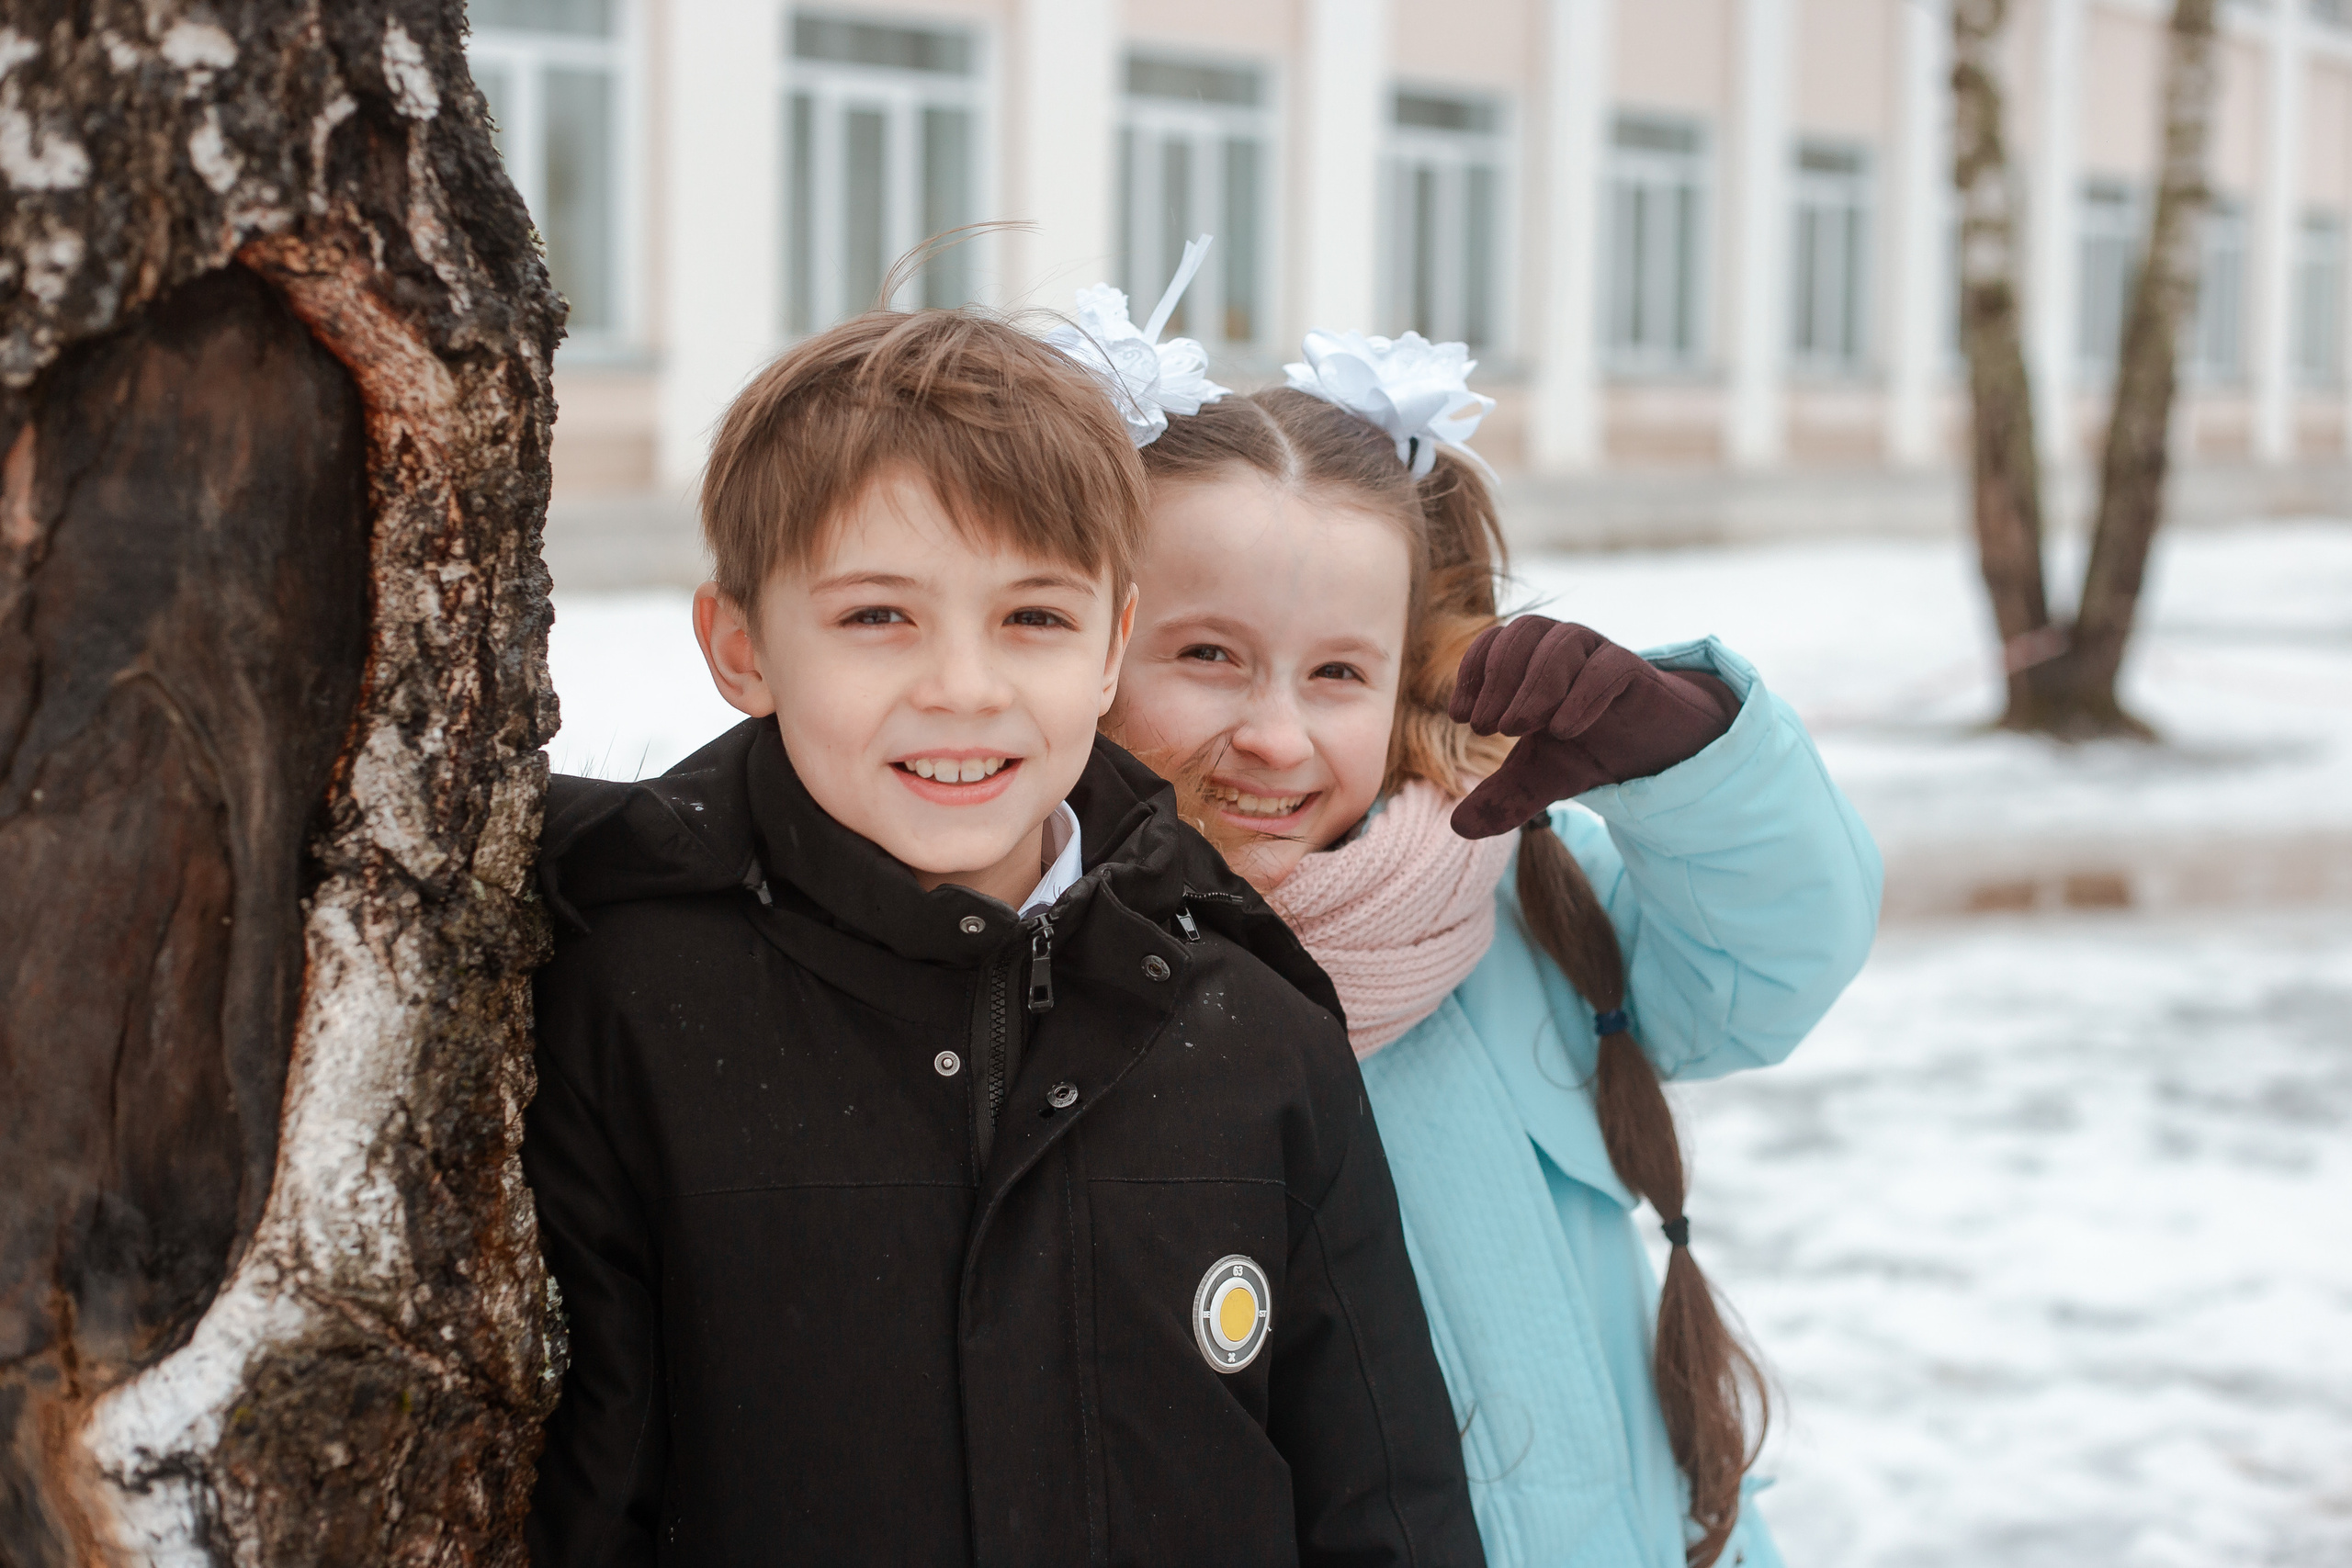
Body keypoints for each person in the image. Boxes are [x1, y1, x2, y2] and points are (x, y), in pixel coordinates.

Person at [521, 303, 1486, 1566]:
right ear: (744, 647)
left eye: (1033, 618)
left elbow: (1386, 1499)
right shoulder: (633, 1005)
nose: (964, 688)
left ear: (1110, 646)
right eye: (879, 618)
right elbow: (590, 1502)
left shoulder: (1253, 1025)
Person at [1103, 327, 1883, 1568]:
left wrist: (1689, 761)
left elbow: (1767, 979)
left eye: (1340, 672)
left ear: (1412, 675)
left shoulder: (1504, 894)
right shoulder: (1055, 977)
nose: (1278, 736)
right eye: (1209, 656)